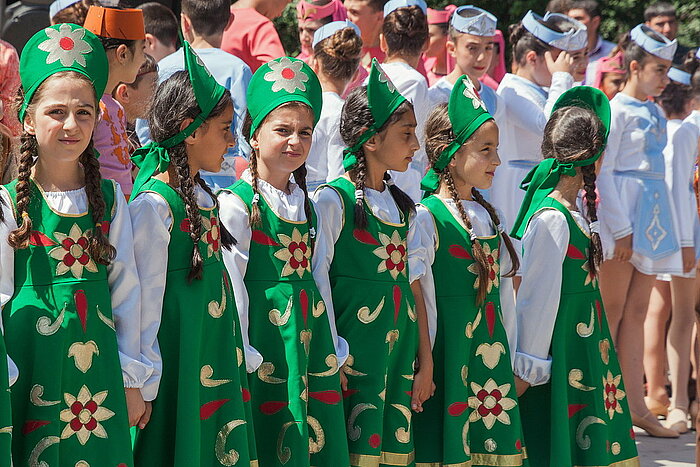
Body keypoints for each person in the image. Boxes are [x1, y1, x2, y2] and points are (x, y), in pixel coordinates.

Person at [1, 23, 151, 464]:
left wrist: (132, 378)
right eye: (56, 112)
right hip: (30, 368)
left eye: (84, 112)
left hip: (99, 366)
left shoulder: (109, 201)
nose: (71, 124)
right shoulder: (9, 205)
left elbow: (127, 293)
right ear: (28, 116)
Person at [129, 41, 255, 466]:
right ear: (192, 129)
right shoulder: (153, 206)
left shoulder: (205, 196)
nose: (233, 140)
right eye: (225, 129)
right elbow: (142, 301)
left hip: (211, 348)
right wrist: (142, 383)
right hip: (176, 358)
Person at [218, 56, 349, 466]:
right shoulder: (236, 205)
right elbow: (234, 288)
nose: (295, 141)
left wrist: (334, 348)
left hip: (310, 341)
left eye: (305, 132)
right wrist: (244, 354)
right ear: (254, 136)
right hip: (264, 340)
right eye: (283, 130)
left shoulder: (310, 206)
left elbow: (319, 279)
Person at [512, 86, 639, 466]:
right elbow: (536, 302)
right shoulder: (553, 220)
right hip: (560, 358)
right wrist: (527, 370)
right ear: (594, 159)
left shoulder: (570, 214)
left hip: (583, 351)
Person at [313, 59, 431, 466]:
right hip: (353, 355)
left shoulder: (404, 209)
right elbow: (318, 280)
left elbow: (414, 289)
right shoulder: (333, 200)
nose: (415, 145)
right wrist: (334, 353)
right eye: (406, 134)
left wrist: (425, 361)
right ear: (371, 141)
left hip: (397, 357)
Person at [412, 75, 526, 466]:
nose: (496, 161)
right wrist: (426, 364)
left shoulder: (490, 217)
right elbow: (423, 299)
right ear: (451, 154)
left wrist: (510, 357)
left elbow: (503, 300)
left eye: (497, 149)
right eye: (486, 150)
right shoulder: (427, 218)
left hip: (491, 360)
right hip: (450, 357)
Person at [596, 24, 681, 438]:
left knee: (638, 313)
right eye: (658, 69)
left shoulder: (655, 111)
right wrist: (621, 228)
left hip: (652, 221)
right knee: (609, 313)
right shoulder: (615, 110)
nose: (665, 78)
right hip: (624, 222)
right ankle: (599, 404)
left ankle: (635, 406)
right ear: (634, 66)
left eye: (667, 70)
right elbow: (604, 172)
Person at [492, 10, 586, 273]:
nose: (563, 67)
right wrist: (562, 77)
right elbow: (550, 128)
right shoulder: (511, 89)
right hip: (517, 187)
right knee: (520, 270)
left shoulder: (537, 89)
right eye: (557, 60)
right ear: (532, 58)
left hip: (536, 181)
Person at [136, 0, 252, 190]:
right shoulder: (238, 69)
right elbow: (245, 132)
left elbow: (146, 128)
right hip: (227, 183)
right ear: (229, 21)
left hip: (170, 180)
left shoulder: (163, 66)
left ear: (185, 22)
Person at [642, 56, 700, 434]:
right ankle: (679, 401)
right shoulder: (686, 131)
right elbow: (678, 190)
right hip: (692, 235)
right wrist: (683, 243)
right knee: (682, 316)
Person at [83, 5, 147, 199]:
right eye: (142, 50)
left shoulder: (113, 106)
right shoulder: (87, 108)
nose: (144, 60)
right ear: (123, 54)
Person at [370, 0, 429, 202]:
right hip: (402, 176)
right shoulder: (416, 81)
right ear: (426, 43)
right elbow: (410, 140)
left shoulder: (371, 76)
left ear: (383, 42)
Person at [307, 21, 363, 190]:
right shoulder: (344, 113)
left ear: (315, 64)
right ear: (356, 74)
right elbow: (339, 179)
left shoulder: (299, 106)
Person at [220, 0, 288, 72]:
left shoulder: (215, 18)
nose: (280, 14)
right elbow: (280, 75)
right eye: (287, 2)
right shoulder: (259, 26)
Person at [112, 54, 158, 152]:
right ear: (125, 94)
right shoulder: (111, 139)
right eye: (153, 87)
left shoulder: (125, 132)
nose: (158, 93)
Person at [566, 0, 615, 84]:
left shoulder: (613, 53)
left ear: (595, 22)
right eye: (569, 19)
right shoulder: (562, 53)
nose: (572, 23)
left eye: (578, 19)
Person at [422, 6, 455, 86]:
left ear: (448, 36)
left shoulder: (469, 77)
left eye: (429, 36)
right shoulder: (423, 66)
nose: (423, 41)